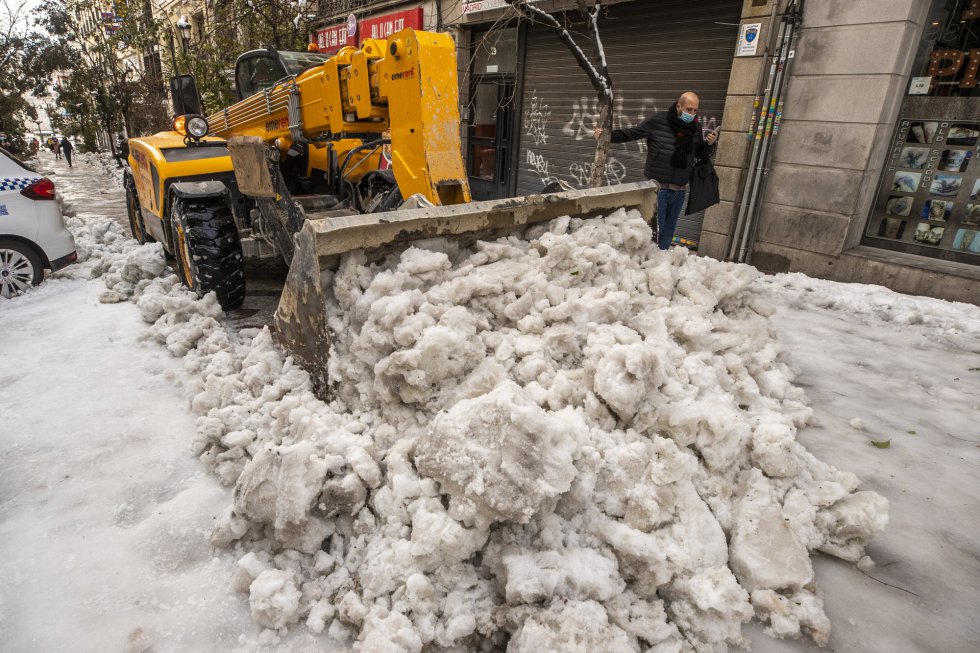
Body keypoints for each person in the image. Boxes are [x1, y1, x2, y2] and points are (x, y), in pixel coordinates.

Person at [595, 92, 718, 249]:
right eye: (689, 109)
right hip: (658, 189)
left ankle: (661, 264)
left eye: (695, 110)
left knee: (668, 232)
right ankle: (646, 265)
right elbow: (633, 133)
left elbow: (698, 154)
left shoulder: (695, 127)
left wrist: (708, 144)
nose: (692, 114)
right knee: (652, 233)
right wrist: (607, 136)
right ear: (679, 106)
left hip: (679, 191)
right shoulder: (659, 120)